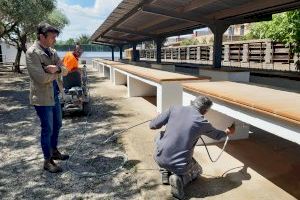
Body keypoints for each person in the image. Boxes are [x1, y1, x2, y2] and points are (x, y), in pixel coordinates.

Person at [149, 96, 235, 199]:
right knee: (198, 170)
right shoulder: (202, 122)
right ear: (204, 111)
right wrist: (228, 132)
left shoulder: (174, 109)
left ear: (193, 103)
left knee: (159, 135)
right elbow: (217, 135)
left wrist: (158, 118)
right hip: (179, 166)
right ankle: (180, 179)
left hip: (159, 157)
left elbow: (152, 125)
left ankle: (164, 171)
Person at [26, 22, 69, 173]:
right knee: (48, 129)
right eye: (52, 37)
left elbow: (65, 70)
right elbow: (40, 78)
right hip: (42, 99)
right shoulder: (32, 53)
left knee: (57, 124)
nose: (55, 40)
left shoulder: (52, 51)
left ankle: (54, 151)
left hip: (55, 96)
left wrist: (55, 69)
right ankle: (47, 161)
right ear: (42, 36)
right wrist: (55, 72)